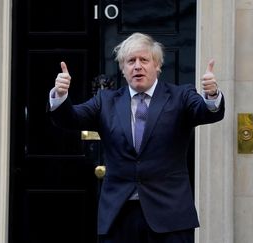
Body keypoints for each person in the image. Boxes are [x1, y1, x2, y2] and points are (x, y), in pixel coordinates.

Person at [48, 32, 225, 243]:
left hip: (170, 217)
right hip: (119, 216)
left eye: (144, 60)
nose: (137, 66)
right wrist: (60, 95)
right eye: (131, 61)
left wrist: (212, 95)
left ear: (157, 65)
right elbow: (70, 119)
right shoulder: (105, 101)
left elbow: (206, 112)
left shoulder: (181, 96)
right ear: (123, 69)